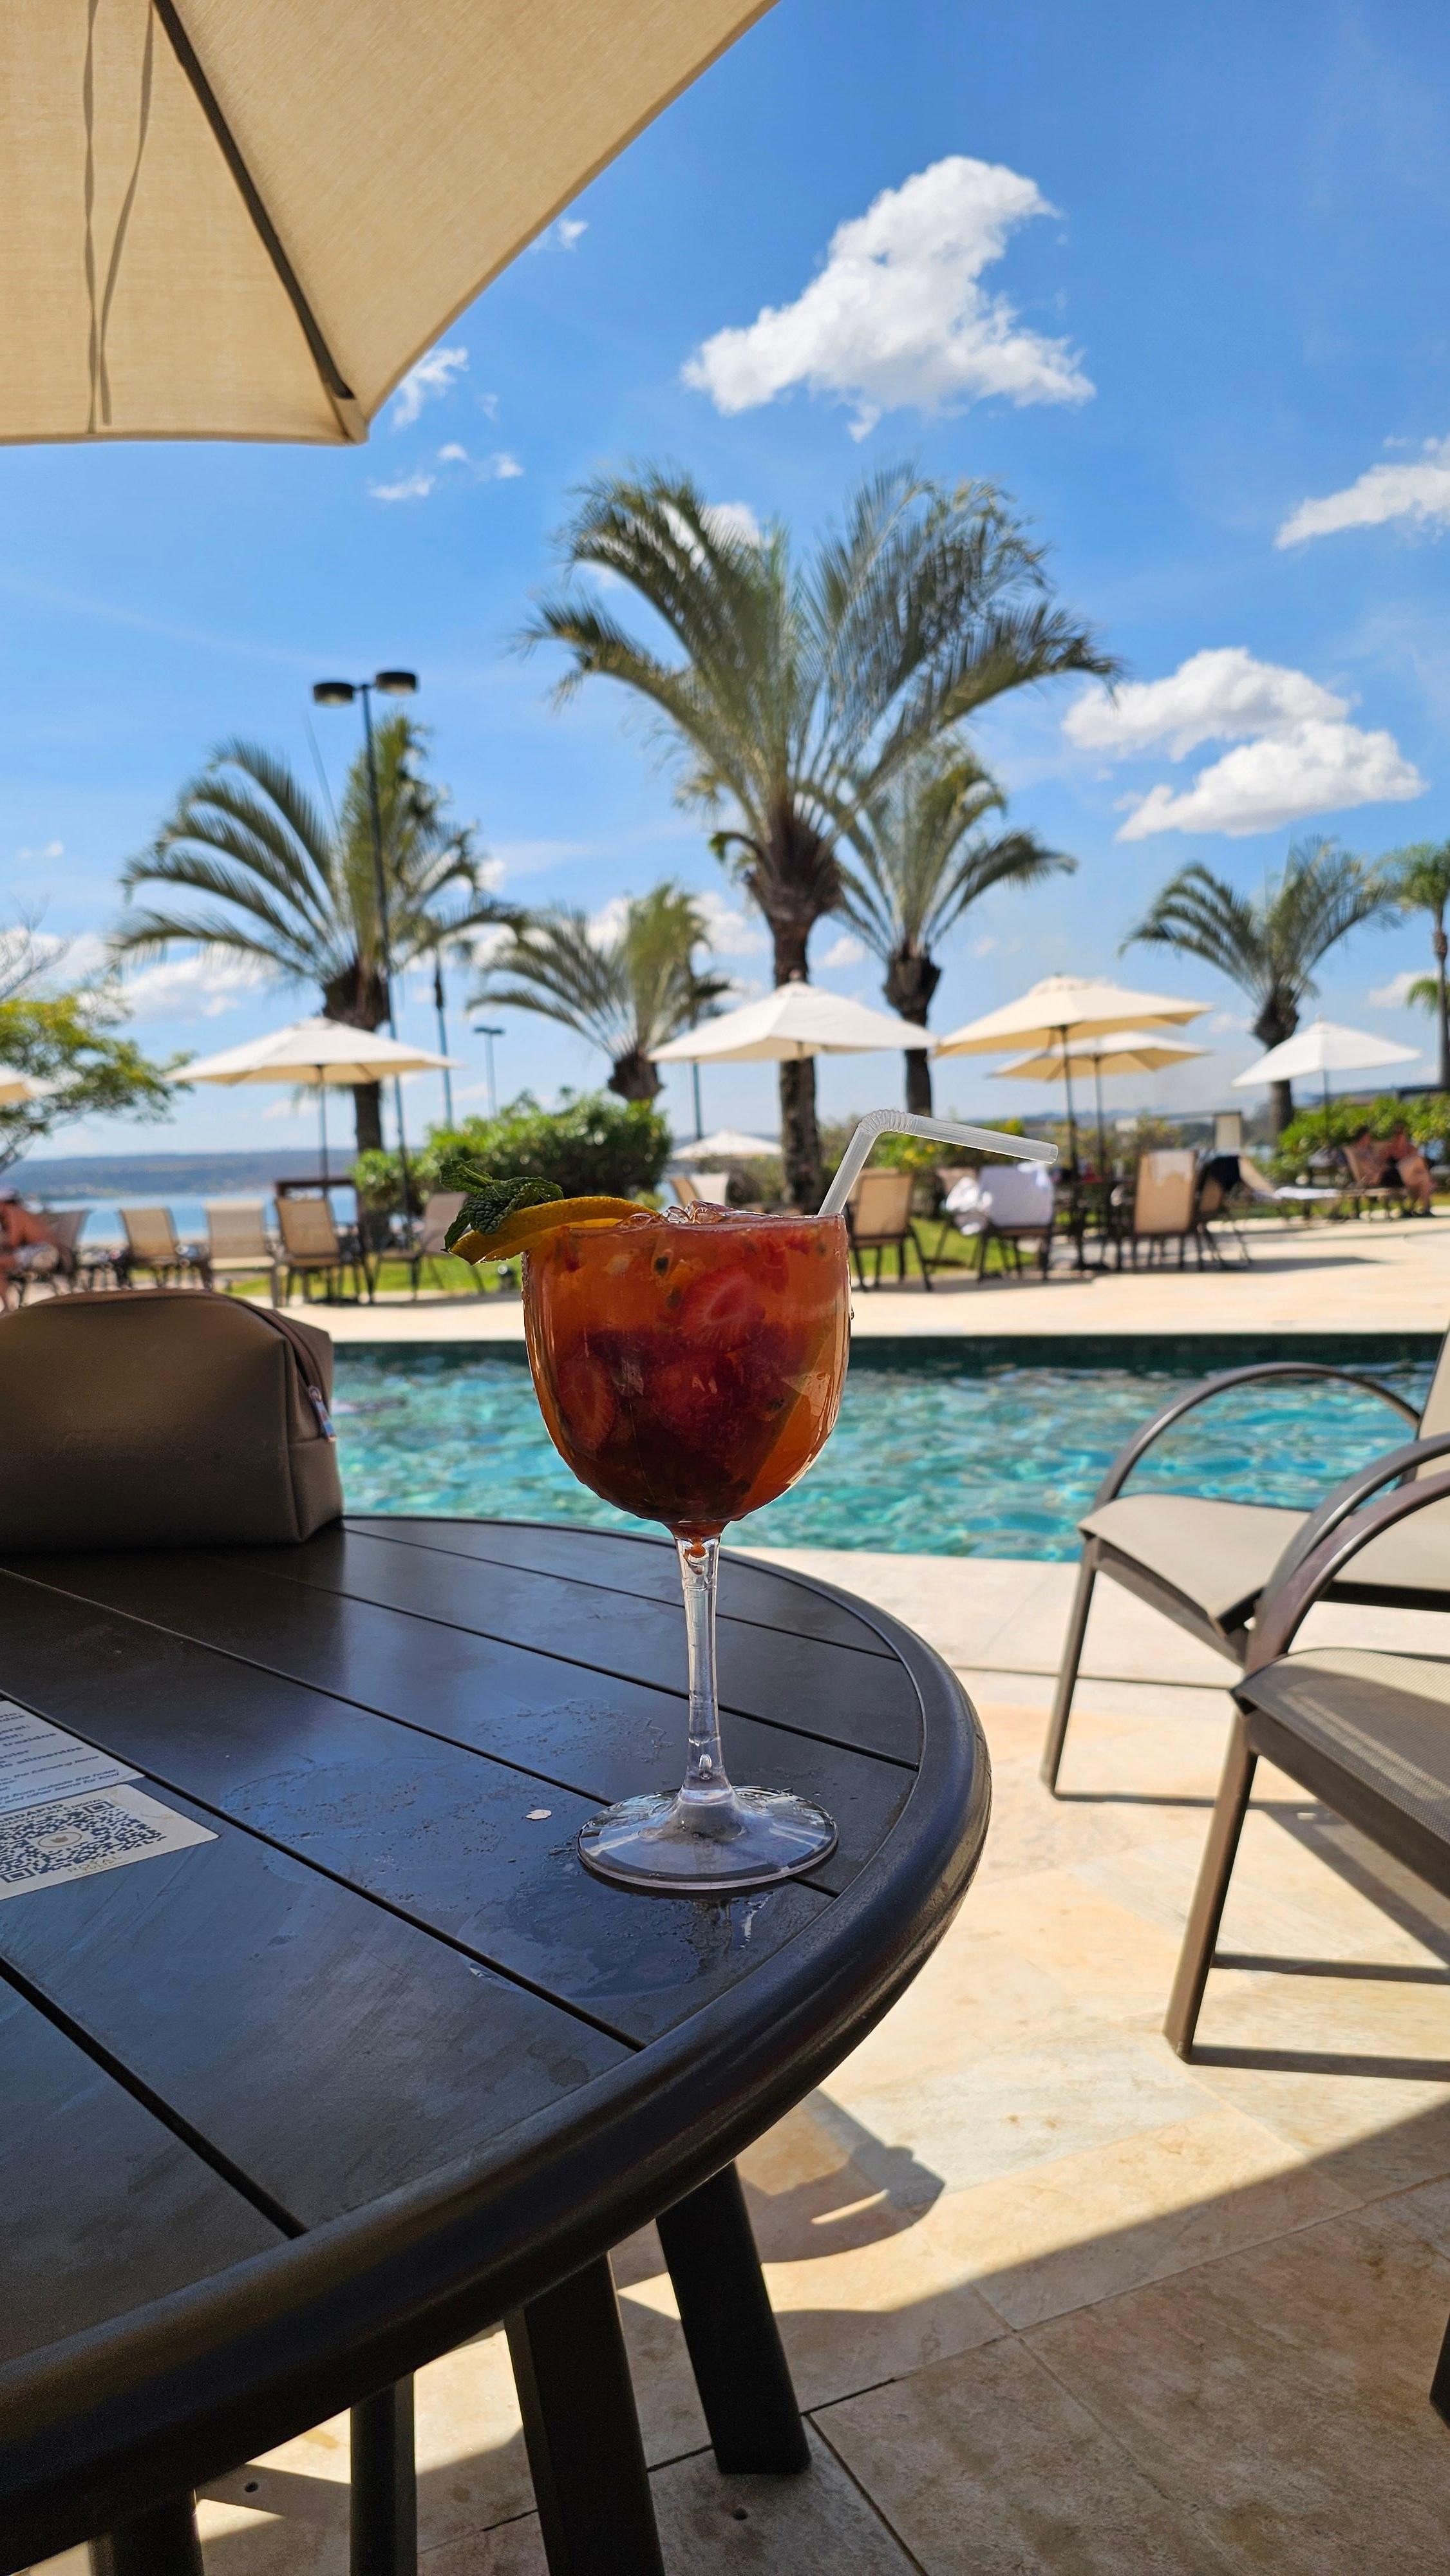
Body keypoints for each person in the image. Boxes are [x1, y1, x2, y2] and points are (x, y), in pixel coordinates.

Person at [0, 1193, 59, 1303]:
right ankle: (7, 1307)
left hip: (43, 1253)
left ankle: (7, 1307)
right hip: (42, 1252)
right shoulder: (18, 1212)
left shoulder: (14, 1211)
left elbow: (14, 1241)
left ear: (2, 1202)